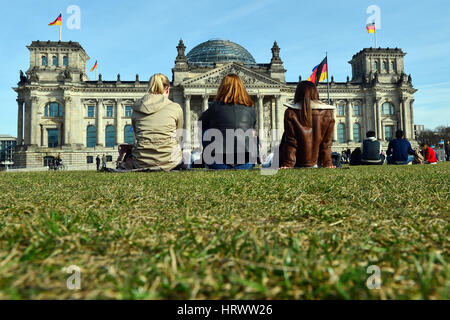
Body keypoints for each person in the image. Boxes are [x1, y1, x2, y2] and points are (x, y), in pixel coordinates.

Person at [124, 73, 185, 171]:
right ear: (167, 89)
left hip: (141, 163)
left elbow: (137, 136)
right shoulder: (176, 108)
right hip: (171, 163)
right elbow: (179, 136)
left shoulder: (136, 108)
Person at [199, 74, 257, 170]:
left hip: (218, 163)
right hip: (246, 163)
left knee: (205, 129)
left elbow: (201, 123)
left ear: (222, 88)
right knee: (252, 132)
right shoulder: (251, 109)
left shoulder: (214, 107)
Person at [279, 81, 335, 168]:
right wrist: (328, 163)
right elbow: (326, 143)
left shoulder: (290, 112)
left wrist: (288, 164)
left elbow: (292, 142)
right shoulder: (328, 113)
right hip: (318, 164)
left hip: (298, 163)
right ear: (316, 93)